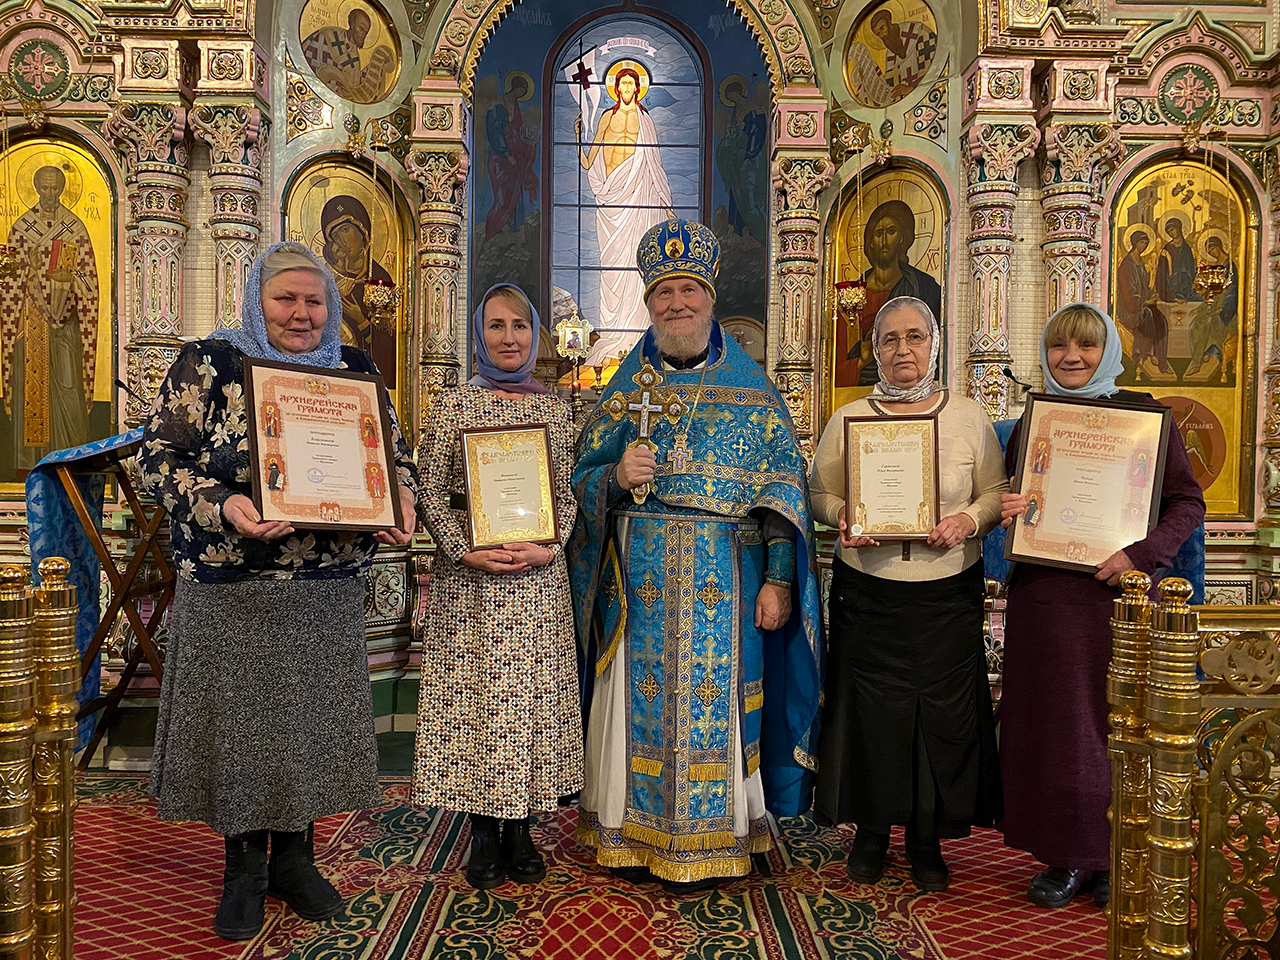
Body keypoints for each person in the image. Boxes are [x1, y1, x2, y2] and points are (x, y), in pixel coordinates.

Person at [139, 242, 418, 940]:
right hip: (233, 585)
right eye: (285, 299)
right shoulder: (212, 362)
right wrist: (225, 504)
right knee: (242, 733)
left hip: (324, 589)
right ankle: (243, 874)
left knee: (309, 729)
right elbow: (158, 457)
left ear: (331, 305)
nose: (301, 314)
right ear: (255, 301)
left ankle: (296, 863)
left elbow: (394, 457)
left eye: (314, 301)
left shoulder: (353, 369)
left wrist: (402, 499)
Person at [569, 218, 822, 892]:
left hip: (725, 578)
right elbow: (578, 483)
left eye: (689, 291)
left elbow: (781, 494)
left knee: (720, 705)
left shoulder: (753, 392)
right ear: (648, 304)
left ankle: (721, 835)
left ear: (710, 299)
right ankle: (629, 832)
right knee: (636, 702)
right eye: (663, 293)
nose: (676, 304)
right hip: (637, 582)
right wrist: (613, 477)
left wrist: (778, 581)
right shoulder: (623, 394)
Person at [998, 303, 1205, 909]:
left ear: (1108, 351)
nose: (1071, 358)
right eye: (1059, 346)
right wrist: (1011, 507)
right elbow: (1020, 498)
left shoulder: (1146, 419)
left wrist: (1140, 555)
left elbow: (1187, 504)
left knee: (1116, 727)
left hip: (1117, 600)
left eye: (1086, 346)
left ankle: (1117, 854)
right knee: (1054, 730)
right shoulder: (1033, 423)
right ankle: (1065, 855)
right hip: (1045, 600)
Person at [810, 295, 1006, 893]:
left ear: (934, 345)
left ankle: (926, 837)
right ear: (876, 350)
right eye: (890, 339)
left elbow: (995, 493)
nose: (903, 350)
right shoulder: (849, 418)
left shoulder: (968, 417)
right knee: (870, 718)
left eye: (915, 337)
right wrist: (842, 514)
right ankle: (870, 831)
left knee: (938, 720)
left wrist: (968, 520)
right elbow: (816, 494)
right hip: (867, 594)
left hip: (946, 594)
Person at [413, 283, 582, 890]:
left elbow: (569, 494)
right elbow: (429, 489)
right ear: (478, 335)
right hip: (471, 586)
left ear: (535, 335)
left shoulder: (557, 410)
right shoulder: (454, 406)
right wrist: (463, 549)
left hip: (537, 583)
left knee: (529, 707)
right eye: (495, 326)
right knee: (475, 707)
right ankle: (482, 831)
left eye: (519, 326)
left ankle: (520, 829)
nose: (508, 338)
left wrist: (551, 547)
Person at [0, 164, 100, 470]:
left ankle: (70, 459)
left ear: (62, 189)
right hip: (31, 322)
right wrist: (29, 269)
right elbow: (7, 280)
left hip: (66, 324)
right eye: (44, 187)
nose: (50, 193)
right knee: (30, 392)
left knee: (69, 388)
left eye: (55, 188)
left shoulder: (75, 228)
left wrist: (70, 278)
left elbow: (90, 283)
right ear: (35, 188)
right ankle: (30, 464)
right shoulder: (21, 227)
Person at [574, 66, 674, 364]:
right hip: (612, 196)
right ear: (616, 88)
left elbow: (654, 164)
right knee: (614, 266)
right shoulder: (607, 117)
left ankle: (638, 340)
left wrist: (665, 205)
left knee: (637, 264)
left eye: (632, 83)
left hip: (639, 194)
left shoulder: (645, 119)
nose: (627, 88)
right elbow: (590, 160)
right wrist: (578, 139)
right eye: (623, 83)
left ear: (637, 88)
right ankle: (614, 337)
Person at [319, 195, 397, 386]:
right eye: (336, 236)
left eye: (345, 230)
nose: (342, 240)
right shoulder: (328, 281)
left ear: (363, 232)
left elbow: (387, 347)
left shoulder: (380, 279)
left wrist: (362, 321)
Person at [1115, 229, 1173, 382]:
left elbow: (1144, 288)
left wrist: (1152, 295)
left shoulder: (1140, 263)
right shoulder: (1127, 265)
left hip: (1141, 304)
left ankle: (1161, 360)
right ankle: (1146, 354)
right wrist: (1144, 302)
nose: (1144, 245)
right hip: (1129, 309)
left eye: (1146, 243)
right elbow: (1128, 293)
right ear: (1134, 243)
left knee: (1162, 320)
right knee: (1148, 315)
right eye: (1142, 242)